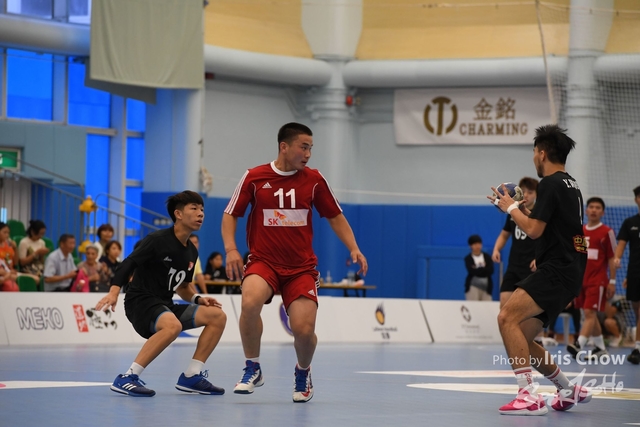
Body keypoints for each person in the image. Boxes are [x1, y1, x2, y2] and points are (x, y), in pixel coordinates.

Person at [222, 122, 367, 403]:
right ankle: (252, 367)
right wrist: (231, 249)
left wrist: (354, 248)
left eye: (311, 148)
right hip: (263, 261)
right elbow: (230, 214)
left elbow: (335, 216)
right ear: (284, 147)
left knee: (303, 330)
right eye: (304, 147)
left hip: (301, 268)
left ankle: (303, 371)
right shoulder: (254, 177)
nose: (308, 154)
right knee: (250, 302)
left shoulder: (314, 180)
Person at [490, 124, 589, 416]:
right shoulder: (571, 184)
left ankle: (528, 396)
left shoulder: (549, 183)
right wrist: (521, 210)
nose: (534, 157)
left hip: (557, 269)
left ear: (542, 153)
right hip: (570, 271)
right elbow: (548, 225)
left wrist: (510, 208)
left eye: (534, 151)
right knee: (520, 333)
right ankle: (568, 390)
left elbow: (533, 231)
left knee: (506, 317)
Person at [95, 190, 227, 397]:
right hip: (140, 302)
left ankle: (192, 376)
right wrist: (113, 292)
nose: (200, 213)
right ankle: (128, 377)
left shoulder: (191, 251)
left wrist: (198, 298)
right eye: (194, 208)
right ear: (178, 214)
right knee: (173, 325)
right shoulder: (157, 240)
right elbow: (128, 264)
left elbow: (182, 287)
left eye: (202, 209)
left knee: (217, 316)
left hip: (165, 304)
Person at [567, 197, 617, 361]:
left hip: (598, 280)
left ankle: (579, 344)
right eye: (591, 207)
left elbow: (612, 258)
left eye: (598, 207)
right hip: (581, 280)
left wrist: (612, 281)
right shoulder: (580, 231)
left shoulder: (607, 232)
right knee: (588, 313)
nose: (594, 210)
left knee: (589, 312)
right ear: (586, 210)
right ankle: (600, 348)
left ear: (603, 212)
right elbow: (576, 257)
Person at [492, 177, 539, 308]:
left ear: (536, 194)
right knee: (504, 303)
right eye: (524, 191)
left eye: (530, 192)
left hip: (532, 268)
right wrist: (496, 249)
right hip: (514, 266)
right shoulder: (513, 213)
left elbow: (547, 238)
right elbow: (504, 235)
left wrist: (540, 257)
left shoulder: (539, 214)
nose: (526, 195)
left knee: (526, 309)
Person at [614, 185, 640, 365]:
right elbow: (621, 246)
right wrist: (617, 259)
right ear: (636, 200)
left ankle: (637, 348)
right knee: (636, 310)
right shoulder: (629, 222)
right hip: (635, 272)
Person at [464, 234, 494, 301]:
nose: (477, 246)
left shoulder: (487, 257)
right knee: (473, 306)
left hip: (486, 287)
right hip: (473, 286)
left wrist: (478, 269)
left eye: (479, 243)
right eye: (475, 244)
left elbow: (491, 270)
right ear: (470, 246)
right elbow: (472, 271)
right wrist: (483, 269)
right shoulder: (468, 259)